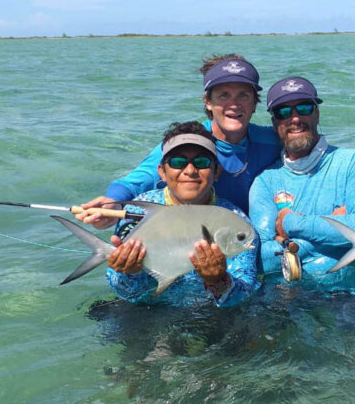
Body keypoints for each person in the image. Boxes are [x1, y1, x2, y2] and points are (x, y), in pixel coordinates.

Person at [77, 54, 281, 228]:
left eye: (243, 96)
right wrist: (113, 203)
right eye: (223, 95)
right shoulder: (189, 144)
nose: (234, 105)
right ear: (208, 102)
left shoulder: (274, 140)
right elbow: (136, 182)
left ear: (255, 103)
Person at [248, 76, 355, 296]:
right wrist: (333, 228)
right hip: (291, 299)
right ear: (275, 123)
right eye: (283, 112)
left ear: (316, 113)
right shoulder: (265, 181)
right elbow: (260, 259)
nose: (295, 118)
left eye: (303, 108)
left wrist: (289, 224)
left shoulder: (354, 162)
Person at [105, 121, 260, 307]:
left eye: (201, 162)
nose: (190, 171)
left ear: (216, 171)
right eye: (178, 162)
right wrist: (130, 272)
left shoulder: (236, 221)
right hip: (148, 310)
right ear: (162, 172)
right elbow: (124, 291)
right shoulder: (137, 211)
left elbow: (245, 294)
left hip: (208, 315)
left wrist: (220, 282)